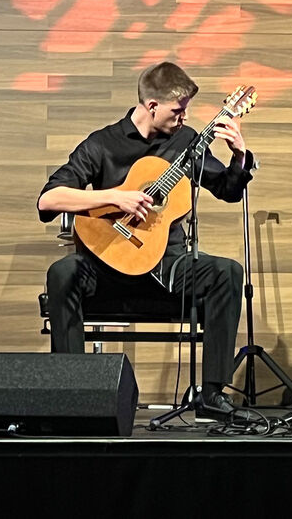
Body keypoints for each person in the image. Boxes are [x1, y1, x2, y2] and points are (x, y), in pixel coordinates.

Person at [37, 61, 255, 421]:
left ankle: (212, 395)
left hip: (165, 266)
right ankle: (72, 390)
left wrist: (239, 157)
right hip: (105, 266)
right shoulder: (102, 144)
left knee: (228, 272)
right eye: (178, 110)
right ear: (152, 105)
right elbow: (48, 200)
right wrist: (115, 197)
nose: (184, 117)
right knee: (63, 273)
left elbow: (228, 191)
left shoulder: (187, 143)